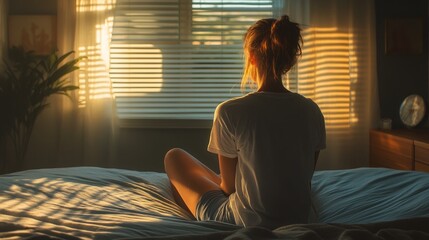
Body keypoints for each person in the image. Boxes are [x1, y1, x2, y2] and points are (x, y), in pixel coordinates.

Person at [164, 15, 326, 229]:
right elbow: (306, 176)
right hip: (300, 219)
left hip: (244, 222)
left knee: (174, 157)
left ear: (251, 56)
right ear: (290, 61)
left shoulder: (230, 111)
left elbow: (229, 188)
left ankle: (196, 220)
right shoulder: (311, 110)